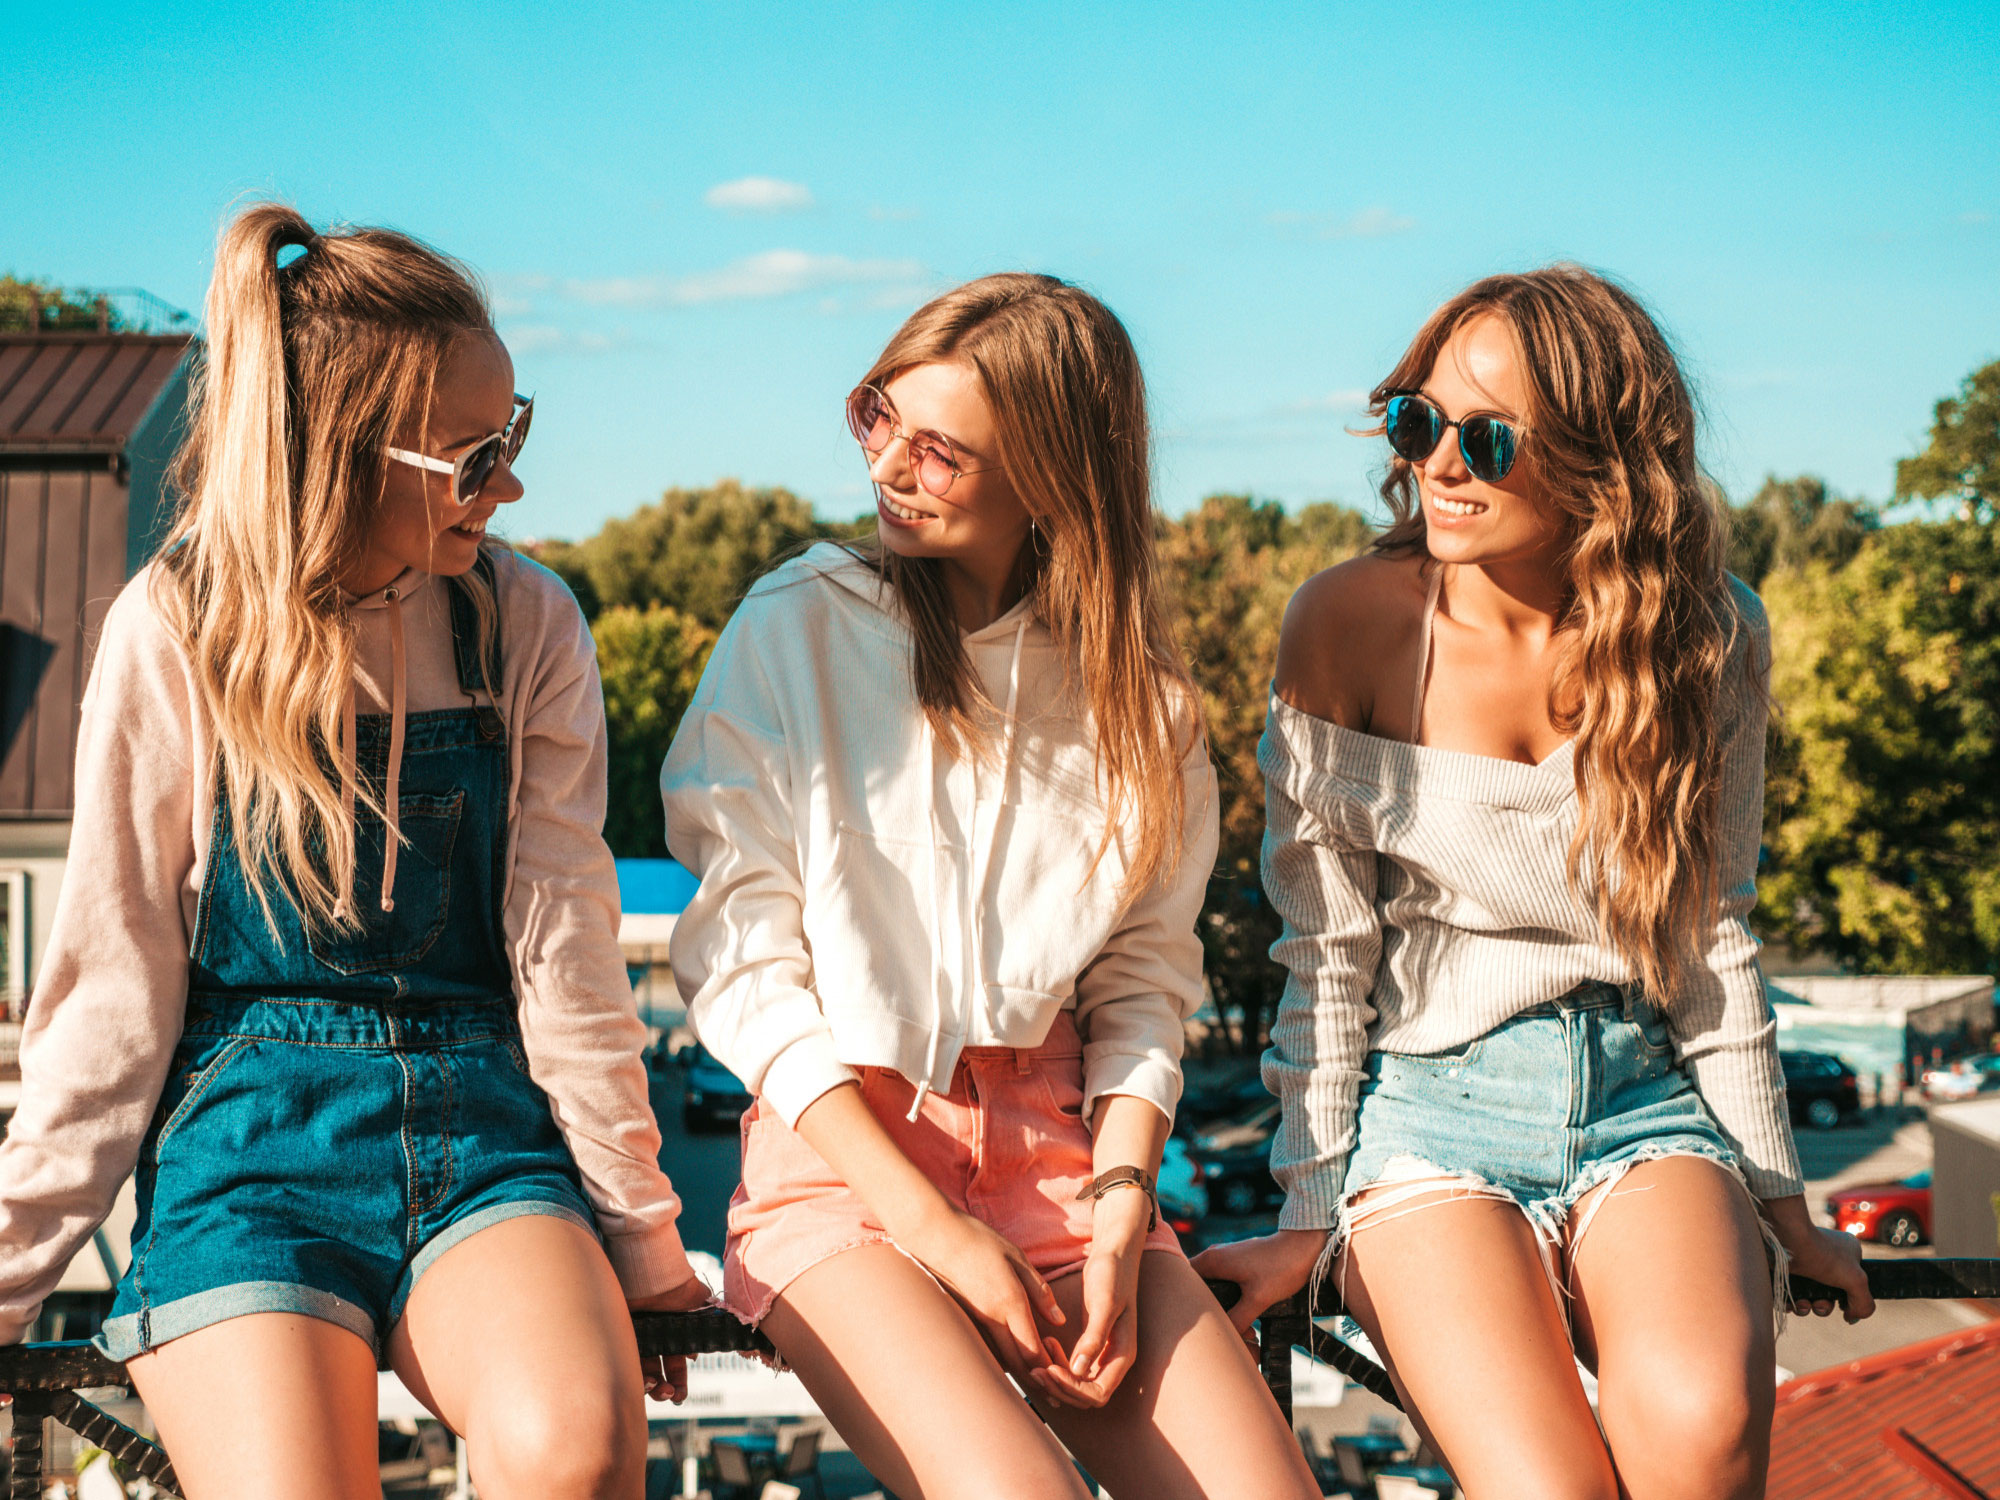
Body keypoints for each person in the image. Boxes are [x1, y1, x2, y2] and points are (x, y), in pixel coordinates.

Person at [0, 203, 707, 1500]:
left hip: (485, 1128)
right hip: (250, 1139)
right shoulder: (176, 630)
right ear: (338, 456)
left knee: (578, 1458)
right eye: (475, 457)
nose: (511, 486)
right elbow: (112, 988)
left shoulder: (522, 625)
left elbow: (565, 958)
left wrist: (645, 1237)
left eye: (514, 436)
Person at [1194, 265, 1874, 1499]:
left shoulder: (1706, 633)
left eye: (1488, 437)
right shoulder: (1344, 624)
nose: (1438, 464)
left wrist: (1781, 1200)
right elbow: (1323, 950)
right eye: (1418, 420)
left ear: (1601, 465)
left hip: (1643, 1103)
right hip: (1430, 1117)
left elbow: (1711, 928)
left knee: (1704, 1432)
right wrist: (1306, 1208)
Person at [663, 274, 1319, 1499]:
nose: (889, 466)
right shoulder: (793, 627)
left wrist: (1124, 1211)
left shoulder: (1143, 703)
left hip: (1062, 1155)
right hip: (846, 1162)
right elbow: (742, 964)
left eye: (939, 450)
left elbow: (1141, 983)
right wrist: (933, 1227)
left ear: (1054, 477)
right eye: (876, 416)